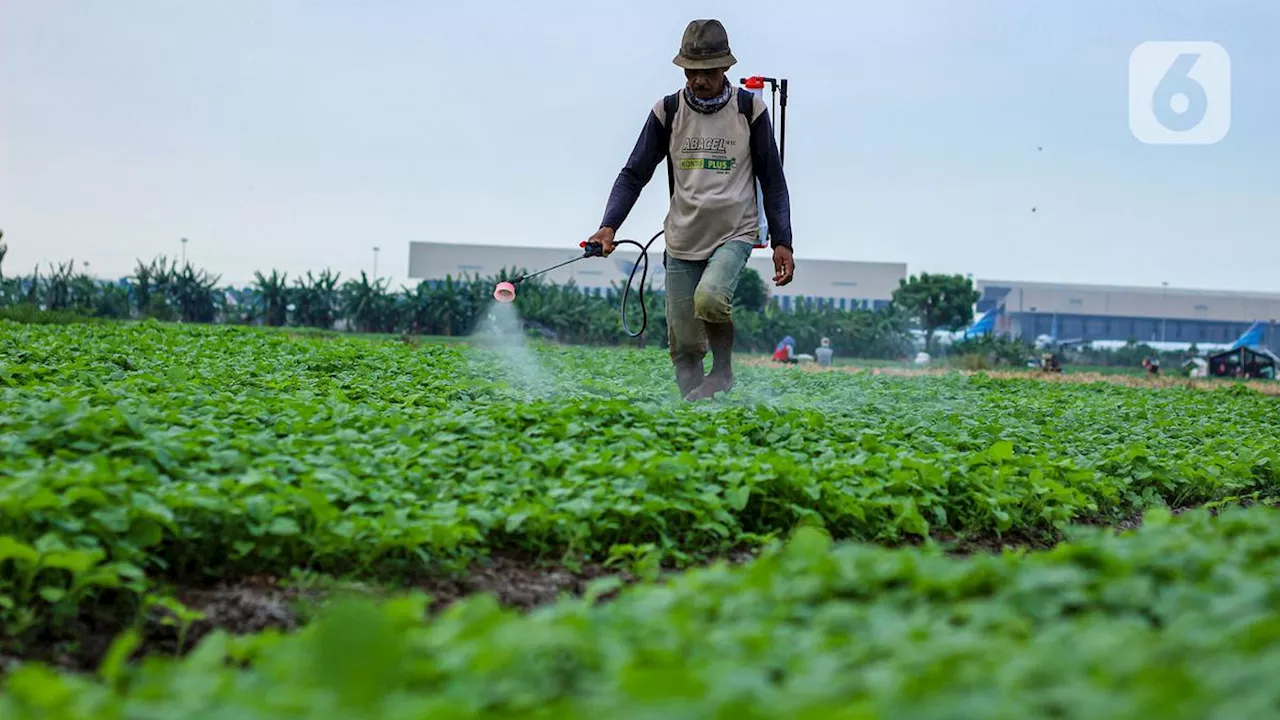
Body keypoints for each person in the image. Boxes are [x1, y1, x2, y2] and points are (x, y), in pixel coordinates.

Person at [587, 18, 794, 401]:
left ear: (725, 68)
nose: (698, 80)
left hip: (734, 231)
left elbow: (774, 181)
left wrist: (784, 240)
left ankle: (724, 371)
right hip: (682, 237)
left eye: (708, 72)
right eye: (691, 72)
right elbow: (634, 174)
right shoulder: (667, 112)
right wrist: (608, 226)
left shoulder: (750, 110)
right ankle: (696, 412)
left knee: (711, 298)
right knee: (683, 346)